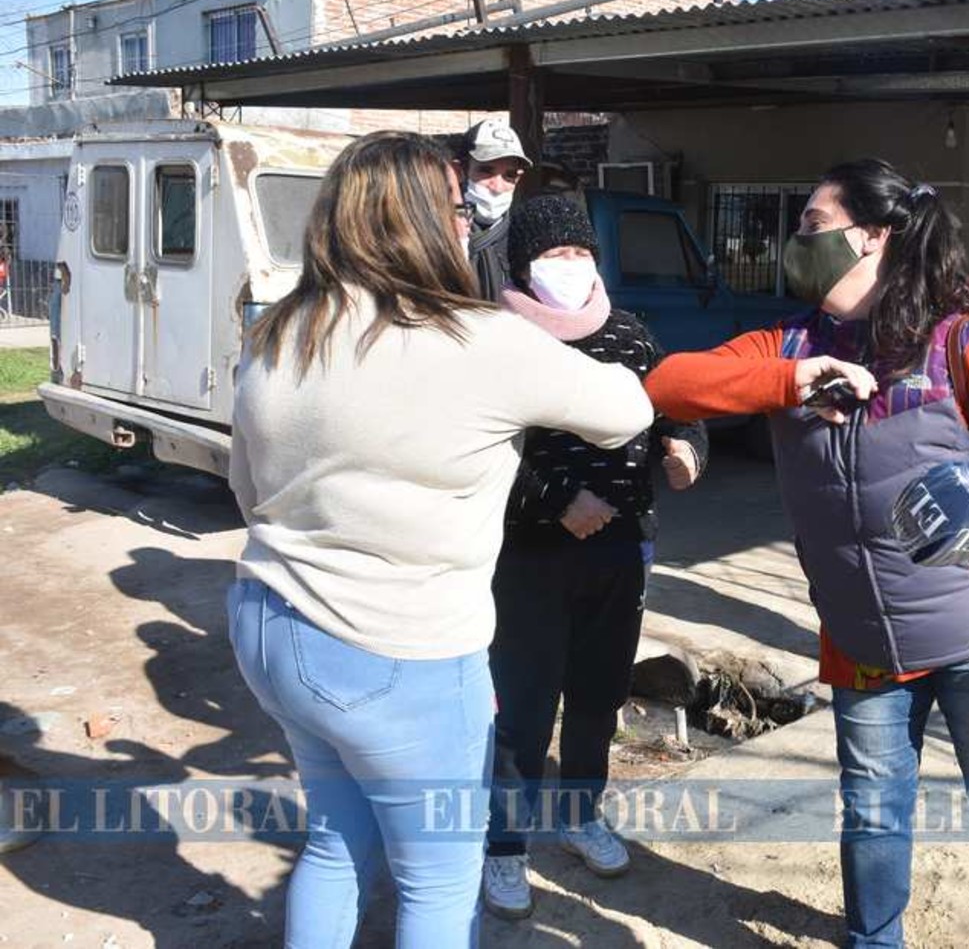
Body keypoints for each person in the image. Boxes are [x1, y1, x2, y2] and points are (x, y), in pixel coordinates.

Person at [225, 132, 653, 948]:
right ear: (423, 222)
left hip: (268, 620)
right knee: (439, 880)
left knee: (335, 840)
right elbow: (626, 411)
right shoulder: (476, 340)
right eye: (457, 209)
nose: (468, 223)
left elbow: (247, 490)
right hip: (397, 651)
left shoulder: (281, 331)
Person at [646, 160, 969, 948]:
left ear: (873, 236)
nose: (795, 240)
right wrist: (787, 380)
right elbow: (669, 385)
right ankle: (875, 940)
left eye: (811, 223)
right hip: (859, 640)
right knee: (873, 810)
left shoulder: (964, 347)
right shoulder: (790, 342)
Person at [480, 194, 709, 918]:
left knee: (596, 699)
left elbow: (676, 408)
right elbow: (480, 449)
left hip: (619, 551)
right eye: (554, 254)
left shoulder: (631, 336)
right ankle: (504, 849)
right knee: (522, 709)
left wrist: (685, 450)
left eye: (580, 253)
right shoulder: (494, 341)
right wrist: (554, 500)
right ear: (522, 264)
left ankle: (581, 817)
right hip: (529, 557)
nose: (570, 267)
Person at [458, 117, 531, 302]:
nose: (497, 186)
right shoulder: (432, 234)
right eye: (486, 170)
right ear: (462, 170)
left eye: (510, 175)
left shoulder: (525, 238)